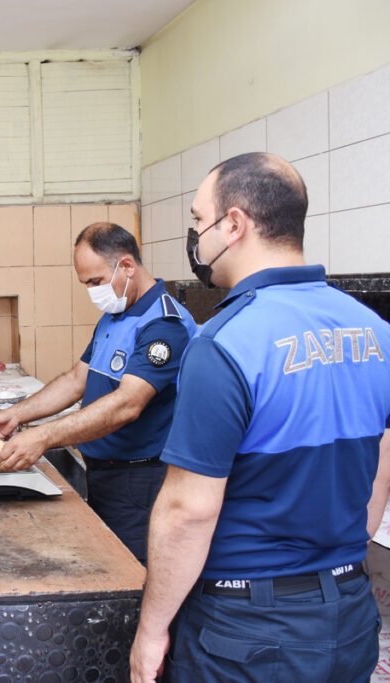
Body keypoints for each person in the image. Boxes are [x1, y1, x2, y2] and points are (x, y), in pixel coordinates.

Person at [130, 152, 390, 682]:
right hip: (349, 615)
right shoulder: (374, 330)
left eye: (198, 220)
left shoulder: (225, 342)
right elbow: (380, 460)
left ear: (234, 224)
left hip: (247, 632)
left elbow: (188, 510)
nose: (196, 236)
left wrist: (151, 629)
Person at [0, 223, 197, 563]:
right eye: (87, 284)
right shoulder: (115, 315)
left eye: (95, 282)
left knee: (130, 577)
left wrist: (43, 437)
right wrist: (18, 414)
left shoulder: (164, 326)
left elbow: (127, 405)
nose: (93, 292)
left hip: (140, 481)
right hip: (104, 472)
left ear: (127, 266)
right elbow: (76, 379)